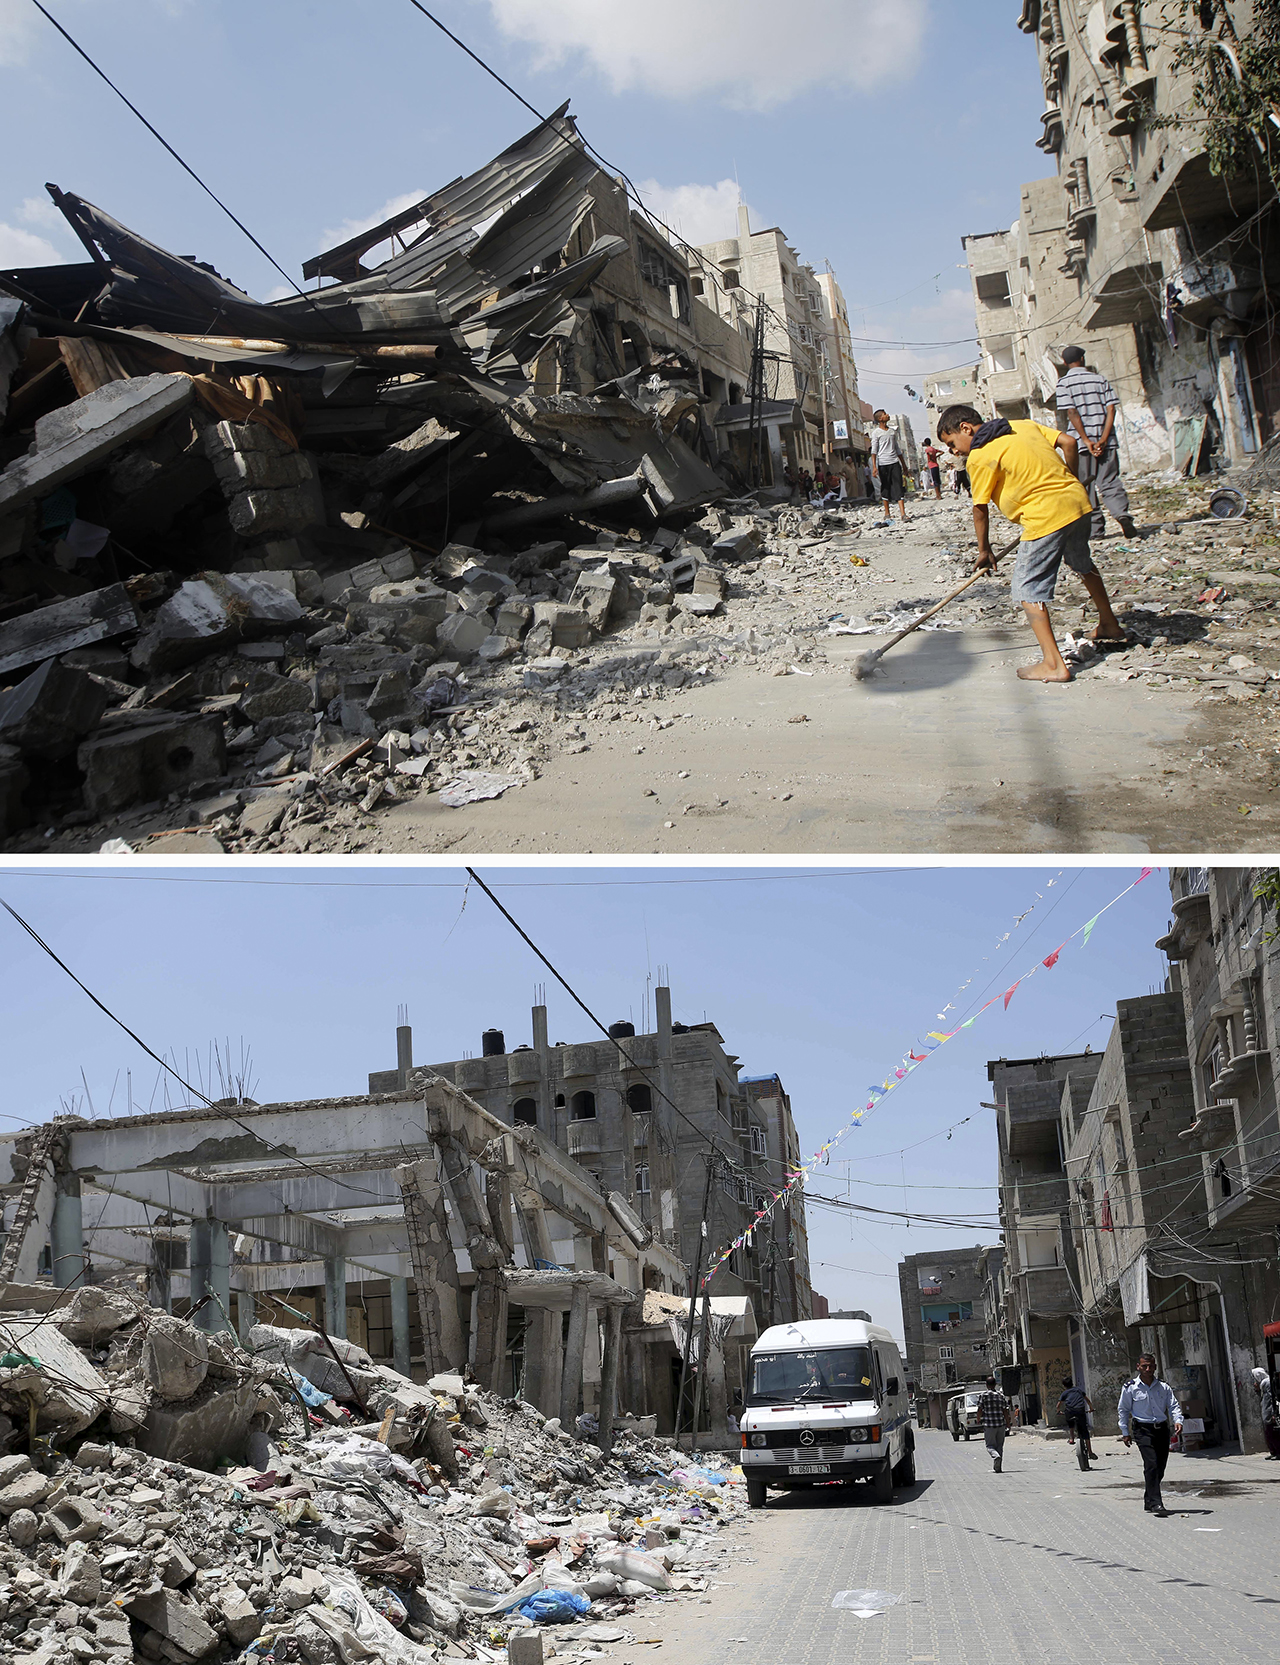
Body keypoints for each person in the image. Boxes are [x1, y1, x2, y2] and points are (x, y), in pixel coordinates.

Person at [936, 403, 1127, 684]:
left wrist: (984, 550)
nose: (953, 451)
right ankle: (1110, 624)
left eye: (952, 443)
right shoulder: (1021, 425)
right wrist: (1071, 480)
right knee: (1082, 564)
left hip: (1044, 516)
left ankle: (1053, 664)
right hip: (1077, 503)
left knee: (1027, 588)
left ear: (966, 428)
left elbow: (980, 509)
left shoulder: (980, 456)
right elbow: (1069, 442)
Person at [1055, 346, 1138, 541]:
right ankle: (1121, 513)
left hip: (1081, 444)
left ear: (1065, 363)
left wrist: (1085, 440)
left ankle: (1096, 529)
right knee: (1109, 480)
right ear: (1082, 359)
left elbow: (1071, 412)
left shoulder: (1064, 384)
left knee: (1085, 486)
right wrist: (1103, 438)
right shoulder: (1100, 379)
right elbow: (1111, 410)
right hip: (1106, 441)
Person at [1118, 1353, 1183, 1515]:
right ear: (1138, 1367)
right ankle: (1156, 1503)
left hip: (1161, 1429)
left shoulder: (1163, 1387)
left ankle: (1148, 1499)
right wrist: (1125, 1432)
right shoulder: (1130, 1387)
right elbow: (1123, 1410)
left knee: (1159, 1468)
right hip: (1142, 1430)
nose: (1148, 1369)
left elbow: (1173, 1405)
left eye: (1151, 1366)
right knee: (1151, 1464)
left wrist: (1178, 1420)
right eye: (1144, 1366)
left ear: (1155, 1367)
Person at [870, 410, 909, 523]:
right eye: (884, 414)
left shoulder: (892, 432)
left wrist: (904, 465)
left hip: (894, 462)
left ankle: (903, 513)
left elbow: (897, 450)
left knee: (898, 486)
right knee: (885, 487)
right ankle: (887, 513)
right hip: (883, 463)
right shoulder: (876, 433)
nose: (887, 415)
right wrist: (874, 467)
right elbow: (874, 451)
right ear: (880, 419)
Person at [976, 1375, 1011, 1472]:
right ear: (995, 1384)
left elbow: (980, 1409)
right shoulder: (1001, 1396)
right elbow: (1005, 1411)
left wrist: (978, 1419)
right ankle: (998, 1468)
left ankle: (995, 1456)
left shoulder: (983, 1395)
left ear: (986, 1385)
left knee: (990, 1446)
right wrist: (1008, 1423)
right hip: (1000, 1425)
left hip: (989, 1425)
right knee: (999, 1446)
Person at [1056, 1377, 1095, 1459]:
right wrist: (1091, 1408)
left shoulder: (1064, 1393)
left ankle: (1071, 1438)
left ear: (1064, 1385)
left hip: (1069, 1412)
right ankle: (1090, 1452)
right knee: (1085, 1431)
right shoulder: (1078, 1390)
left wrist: (1059, 1411)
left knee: (1070, 1423)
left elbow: (1058, 1405)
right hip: (1080, 1411)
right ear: (1072, 1383)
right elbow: (1087, 1400)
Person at [1252, 1367, 1280, 1458]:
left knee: (1272, 1433)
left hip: (1269, 1412)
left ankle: (1278, 1452)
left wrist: (1273, 1413)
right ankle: (1273, 1452)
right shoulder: (1262, 1384)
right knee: (1268, 1433)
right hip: (1266, 1412)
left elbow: (1272, 1399)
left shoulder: (1266, 1382)